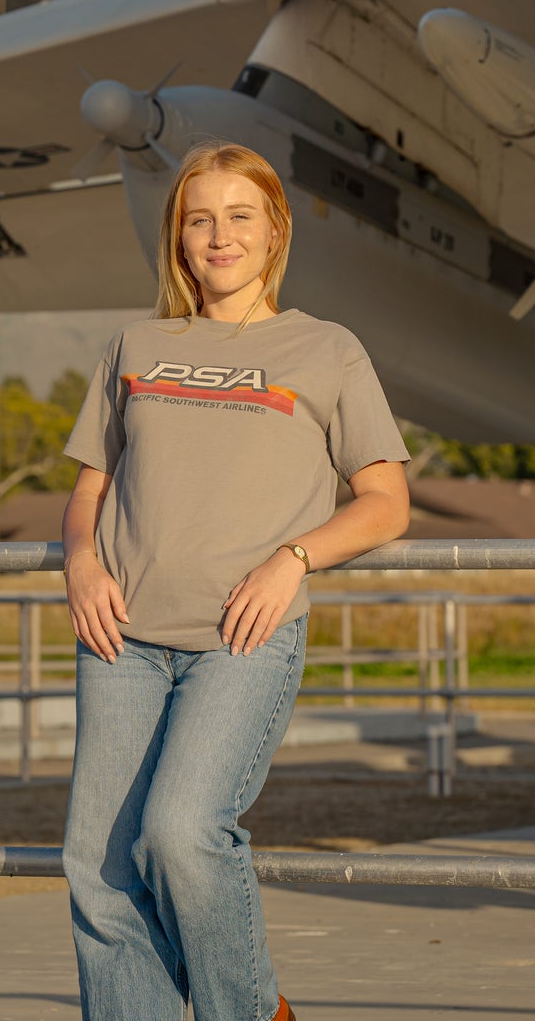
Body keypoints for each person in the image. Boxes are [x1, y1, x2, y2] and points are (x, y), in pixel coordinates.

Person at [60, 139, 411, 1021]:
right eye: (199, 219)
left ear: (276, 229)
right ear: (178, 237)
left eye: (239, 216)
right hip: (121, 641)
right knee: (100, 872)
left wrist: (294, 558)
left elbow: (385, 503)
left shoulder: (328, 349)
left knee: (181, 834)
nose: (219, 236)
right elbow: (90, 490)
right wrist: (81, 562)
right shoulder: (137, 344)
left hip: (241, 641)